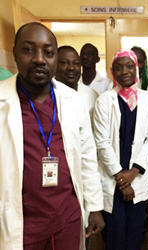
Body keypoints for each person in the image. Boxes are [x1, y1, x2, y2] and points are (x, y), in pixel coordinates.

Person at [0, 22, 104, 250]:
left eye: (48, 52)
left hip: (67, 217)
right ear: (14, 52)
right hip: (22, 221)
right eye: (29, 50)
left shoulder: (73, 100)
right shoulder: (2, 100)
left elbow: (87, 156)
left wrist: (95, 206)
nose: (39, 59)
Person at [93, 49, 148, 250]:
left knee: (135, 232)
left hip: (137, 179)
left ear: (137, 68)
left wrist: (134, 172)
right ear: (113, 71)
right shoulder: (105, 100)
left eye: (129, 66)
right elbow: (102, 142)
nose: (125, 71)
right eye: (118, 67)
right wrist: (122, 179)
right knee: (114, 233)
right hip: (114, 180)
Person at [55, 45, 98, 118]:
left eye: (76, 63)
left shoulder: (92, 95)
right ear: (54, 64)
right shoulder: (44, 94)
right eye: (65, 62)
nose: (71, 68)